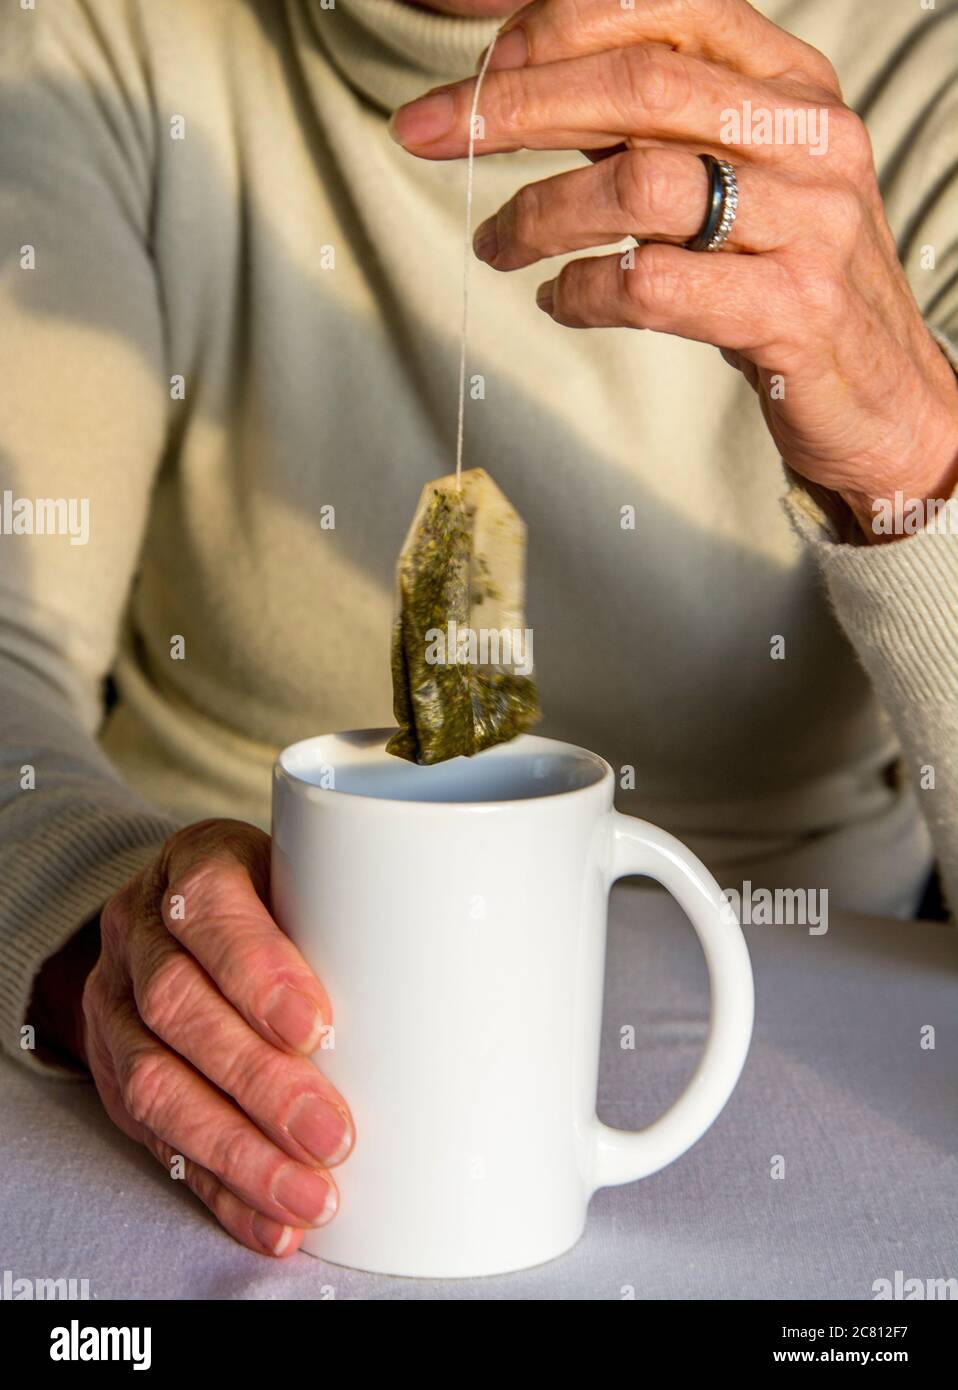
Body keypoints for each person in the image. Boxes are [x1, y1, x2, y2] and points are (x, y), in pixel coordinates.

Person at [1, 0, 955, 1258]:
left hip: (809, 1063)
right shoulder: (100, 31)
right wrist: (95, 927)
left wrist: (908, 446)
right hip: (250, 1098)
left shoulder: (918, 54)